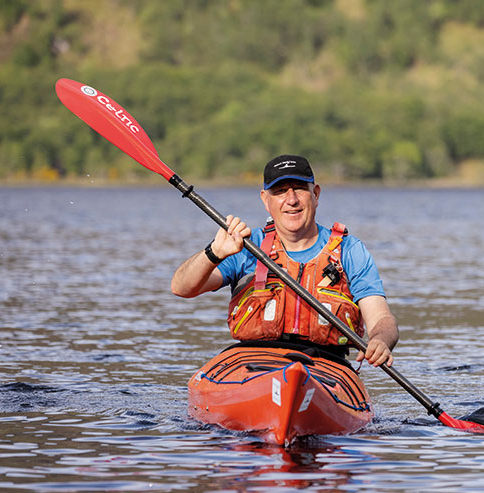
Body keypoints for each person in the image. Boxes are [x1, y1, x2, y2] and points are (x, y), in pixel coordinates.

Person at [170, 154, 397, 367]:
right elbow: (181, 288)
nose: (291, 200)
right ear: (265, 200)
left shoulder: (350, 250)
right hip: (253, 364)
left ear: (316, 194)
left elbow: (382, 319)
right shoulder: (246, 246)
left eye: (299, 189)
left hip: (326, 366)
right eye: (280, 191)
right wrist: (213, 253)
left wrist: (380, 341)